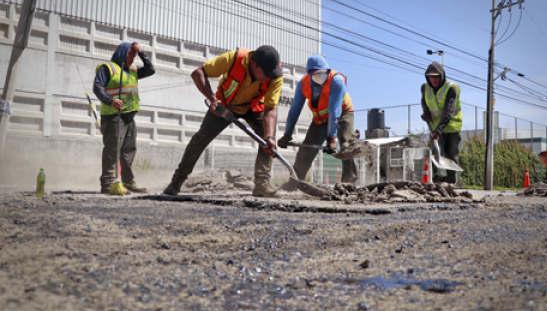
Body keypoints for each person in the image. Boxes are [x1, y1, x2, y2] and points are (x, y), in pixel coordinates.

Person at [163, 45, 284, 197]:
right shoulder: (233, 59)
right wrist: (212, 99)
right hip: (225, 105)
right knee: (201, 138)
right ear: (253, 64)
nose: (269, 76)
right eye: (265, 73)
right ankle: (176, 182)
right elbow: (198, 73)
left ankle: (262, 185)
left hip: (254, 107)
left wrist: (270, 137)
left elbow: (270, 109)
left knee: (267, 143)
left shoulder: (275, 74)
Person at [277, 54, 357, 190]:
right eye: (316, 75)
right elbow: (294, 111)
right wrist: (287, 134)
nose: (320, 78)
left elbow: (334, 111)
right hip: (320, 119)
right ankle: (295, 182)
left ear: (327, 71)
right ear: (309, 74)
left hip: (343, 113)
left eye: (323, 74)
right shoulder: (304, 84)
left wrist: (331, 139)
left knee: (346, 143)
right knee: (306, 149)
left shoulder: (336, 80)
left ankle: (348, 183)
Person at [93, 42, 156, 194]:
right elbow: (97, 87)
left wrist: (141, 52)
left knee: (128, 151)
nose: (132, 59)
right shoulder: (108, 68)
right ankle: (108, 184)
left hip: (129, 117)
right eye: (130, 55)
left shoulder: (133, 70)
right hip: (113, 117)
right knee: (112, 150)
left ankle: (128, 183)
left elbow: (150, 70)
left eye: (134, 56)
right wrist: (110, 101)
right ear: (121, 53)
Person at [420, 61, 462, 184]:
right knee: (436, 153)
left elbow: (448, 112)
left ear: (441, 76)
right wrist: (426, 113)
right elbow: (424, 102)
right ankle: (437, 181)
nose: (433, 79)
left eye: (436, 76)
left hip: (452, 127)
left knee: (451, 155)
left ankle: (451, 184)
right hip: (435, 127)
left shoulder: (452, 88)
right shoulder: (424, 88)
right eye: (430, 77)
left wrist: (438, 130)